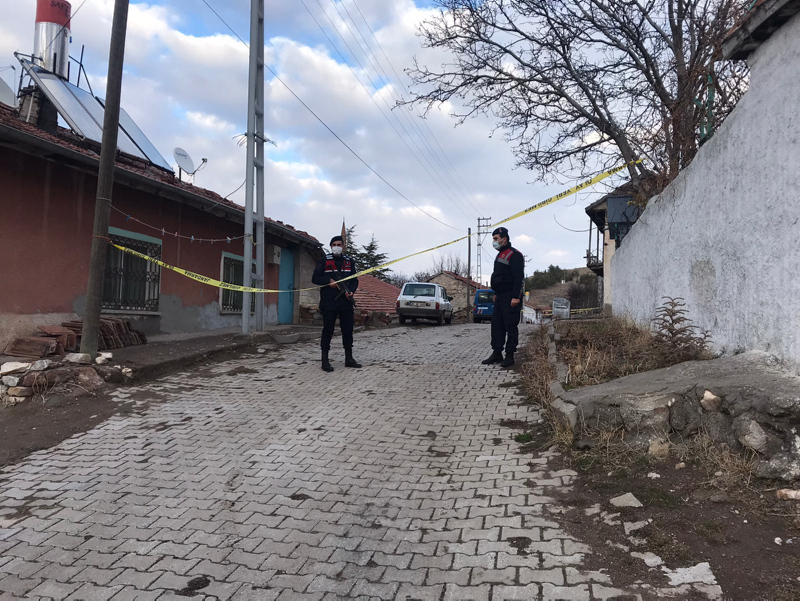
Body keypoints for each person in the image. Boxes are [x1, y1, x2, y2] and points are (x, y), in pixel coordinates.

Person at [311, 236, 361, 372]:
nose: (337, 247)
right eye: (334, 245)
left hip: (345, 301)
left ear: (343, 246)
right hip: (329, 302)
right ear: (331, 246)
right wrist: (329, 281)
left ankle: (349, 358)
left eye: (339, 244)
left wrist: (351, 291)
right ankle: (325, 360)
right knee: (328, 330)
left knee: (348, 330)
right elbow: (315, 278)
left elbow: (354, 280)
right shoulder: (324, 260)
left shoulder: (349, 261)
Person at [482, 226, 525, 368]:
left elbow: (518, 278)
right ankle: (497, 353)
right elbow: (499, 276)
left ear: (504, 239)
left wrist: (516, 297)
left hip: (510, 297)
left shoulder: (515, 255)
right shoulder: (500, 254)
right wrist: (496, 293)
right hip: (500, 297)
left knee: (510, 326)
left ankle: (510, 355)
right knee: (497, 326)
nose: (494, 241)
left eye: (496, 239)